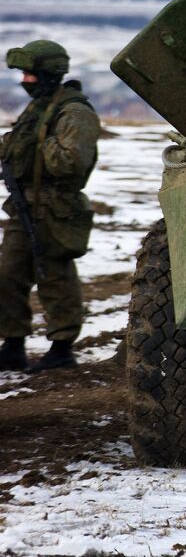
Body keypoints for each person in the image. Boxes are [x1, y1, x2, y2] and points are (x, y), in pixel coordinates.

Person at [0, 41, 101, 372]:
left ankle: (61, 348)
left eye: (31, 75)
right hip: (24, 204)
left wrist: (37, 146)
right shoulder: (39, 108)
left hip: (56, 207)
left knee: (55, 277)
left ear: (49, 74)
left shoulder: (75, 112)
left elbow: (71, 162)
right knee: (9, 274)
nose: (25, 81)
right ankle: (13, 344)